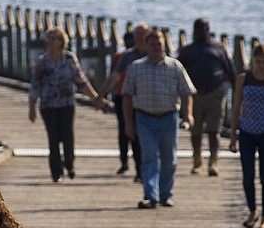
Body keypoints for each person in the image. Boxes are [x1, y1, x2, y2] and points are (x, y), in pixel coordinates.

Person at [122, 29, 195, 209]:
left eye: (159, 44)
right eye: (152, 44)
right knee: (149, 157)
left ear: (165, 45)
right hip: (144, 118)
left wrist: (188, 114)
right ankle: (150, 195)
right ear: (145, 46)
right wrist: (128, 123)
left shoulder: (175, 66)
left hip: (169, 117)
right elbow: (127, 96)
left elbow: (187, 92)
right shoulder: (136, 67)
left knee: (169, 158)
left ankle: (166, 194)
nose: (156, 48)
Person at [28, 26, 107, 182]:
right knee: (53, 138)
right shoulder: (42, 62)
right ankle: (56, 173)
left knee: (67, 136)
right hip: (48, 105)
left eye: (54, 38)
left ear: (61, 41)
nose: (51, 42)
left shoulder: (70, 59)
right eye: (49, 38)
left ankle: (69, 163)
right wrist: (32, 108)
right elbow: (35, 85)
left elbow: (81, 81)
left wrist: (96, 98)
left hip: (66, 104)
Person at [228, 43, 264, 228]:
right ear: (252, 60)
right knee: (247, 176)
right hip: (247, 132)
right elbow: (236, 108)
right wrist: (233, 136)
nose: (261, 65)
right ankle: (252, 211)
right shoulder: (243, 80)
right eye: (258, 61)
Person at [178, 18, 237, 176]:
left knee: (214, 131)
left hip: (215, 94)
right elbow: (178, 72)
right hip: (194, 96)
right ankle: (197, 161)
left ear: (208, 30)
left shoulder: (218, 48)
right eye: (196, 29)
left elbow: (230, 71)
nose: (199, 32)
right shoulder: (188, 50)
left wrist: (238, 91)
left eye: (202, 29)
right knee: (195, 132)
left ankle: (214, 162)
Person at [98, 23, 148, 180]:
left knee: (144, 136)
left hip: (148, 101)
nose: (140, 37)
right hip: (125, 98)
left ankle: (144, 170)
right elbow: (114, 76)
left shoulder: (155, 53)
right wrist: (101, 95)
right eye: (137, 34)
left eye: (143, 34)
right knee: (127, 131)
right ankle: (128, 164)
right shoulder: (126, 56)